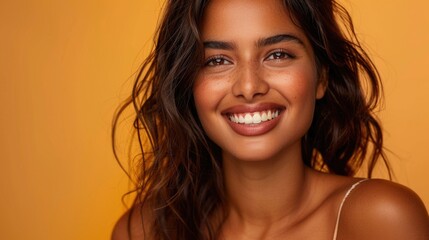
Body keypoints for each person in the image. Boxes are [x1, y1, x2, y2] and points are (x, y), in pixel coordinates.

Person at [111, 0, 429, 239]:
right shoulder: (143, 231)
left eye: (277, 55)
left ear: (321, 77)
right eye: (217, 60)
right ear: (187, 85)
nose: (249, 87)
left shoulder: (380, 220)